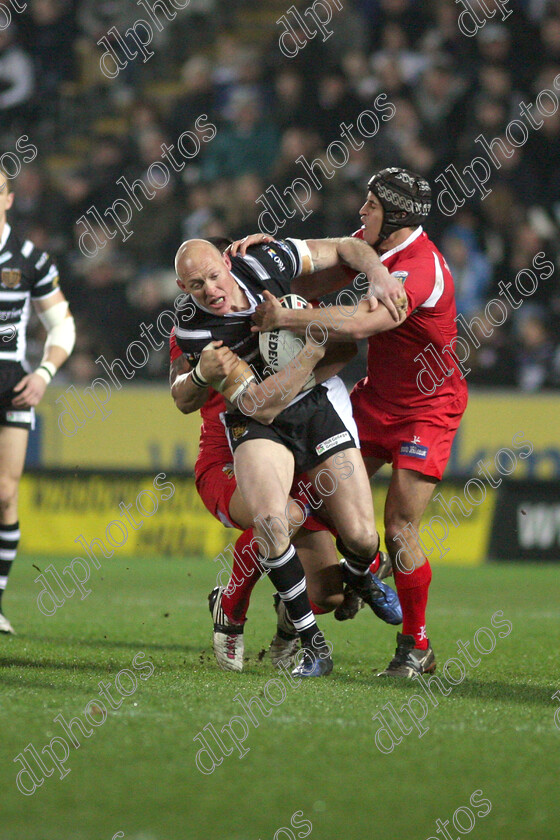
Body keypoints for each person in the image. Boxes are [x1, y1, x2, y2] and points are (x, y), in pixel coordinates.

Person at [242, 167, 469, 678]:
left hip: (426, 410)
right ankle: (347, 580)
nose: (361, 211)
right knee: (310, 499)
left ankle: (416, 646)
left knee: (399, 527)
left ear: (395, 214)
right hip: (374, 402)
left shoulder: (421, 268)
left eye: (371, 204)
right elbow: (315, 274)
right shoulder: (383, 256)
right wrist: (268, 256)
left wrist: (283, 320)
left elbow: (365, 324)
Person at [172, 234, 404, 676]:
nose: (211, 291)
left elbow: (342, 251)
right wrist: (312, 346)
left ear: (229, 259)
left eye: (214, 277)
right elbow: (258, 405)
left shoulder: (264, 262)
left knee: (360, 541)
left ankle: (357, 576)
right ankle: (308, 642)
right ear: (184, 289)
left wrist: (378, 274)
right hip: (253, 422)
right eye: (197, 285)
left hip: (312, 407)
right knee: (277, 520)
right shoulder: (194, 331)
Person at [0, 164, 76, 634]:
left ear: (8, 199)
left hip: (11, 379)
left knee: (6, 495)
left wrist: (45, 373)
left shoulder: (29, 258)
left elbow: (62, 325)